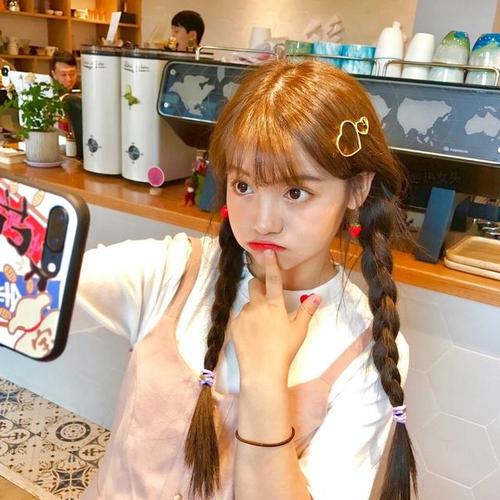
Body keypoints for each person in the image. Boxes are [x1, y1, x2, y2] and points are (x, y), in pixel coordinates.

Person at [77, 59, 416, 499]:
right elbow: (44, 281)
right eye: (243, 186)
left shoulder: (367, 347)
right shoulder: (175, 271)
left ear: (357, 189)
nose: (262, 222)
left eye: (295, 192)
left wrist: (264, 378)